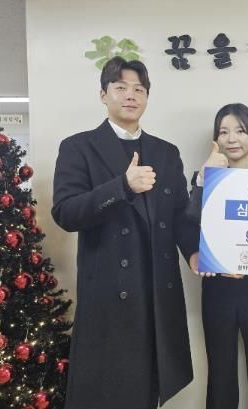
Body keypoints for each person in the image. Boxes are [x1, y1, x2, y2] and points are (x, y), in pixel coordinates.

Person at [52, 57, 198, 409]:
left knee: (149, 386)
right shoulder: (78, 147)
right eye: (120, 88)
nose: (130, 95)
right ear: (103, 95)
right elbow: (66, 212)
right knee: (108, 388)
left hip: (156, 291)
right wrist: (122, 186)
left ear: (146, 97)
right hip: (109, 293)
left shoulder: (166, 153)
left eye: (139, 89)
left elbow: (181, 215)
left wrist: (194, 252)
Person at [186, 103, 248, 409]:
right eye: (223, 132)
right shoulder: (203, 178)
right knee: (220, 376)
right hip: (219, 290)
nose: (232, 139)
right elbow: (189, 221)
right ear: (216, 140)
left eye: (240, 131)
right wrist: (206, 176)